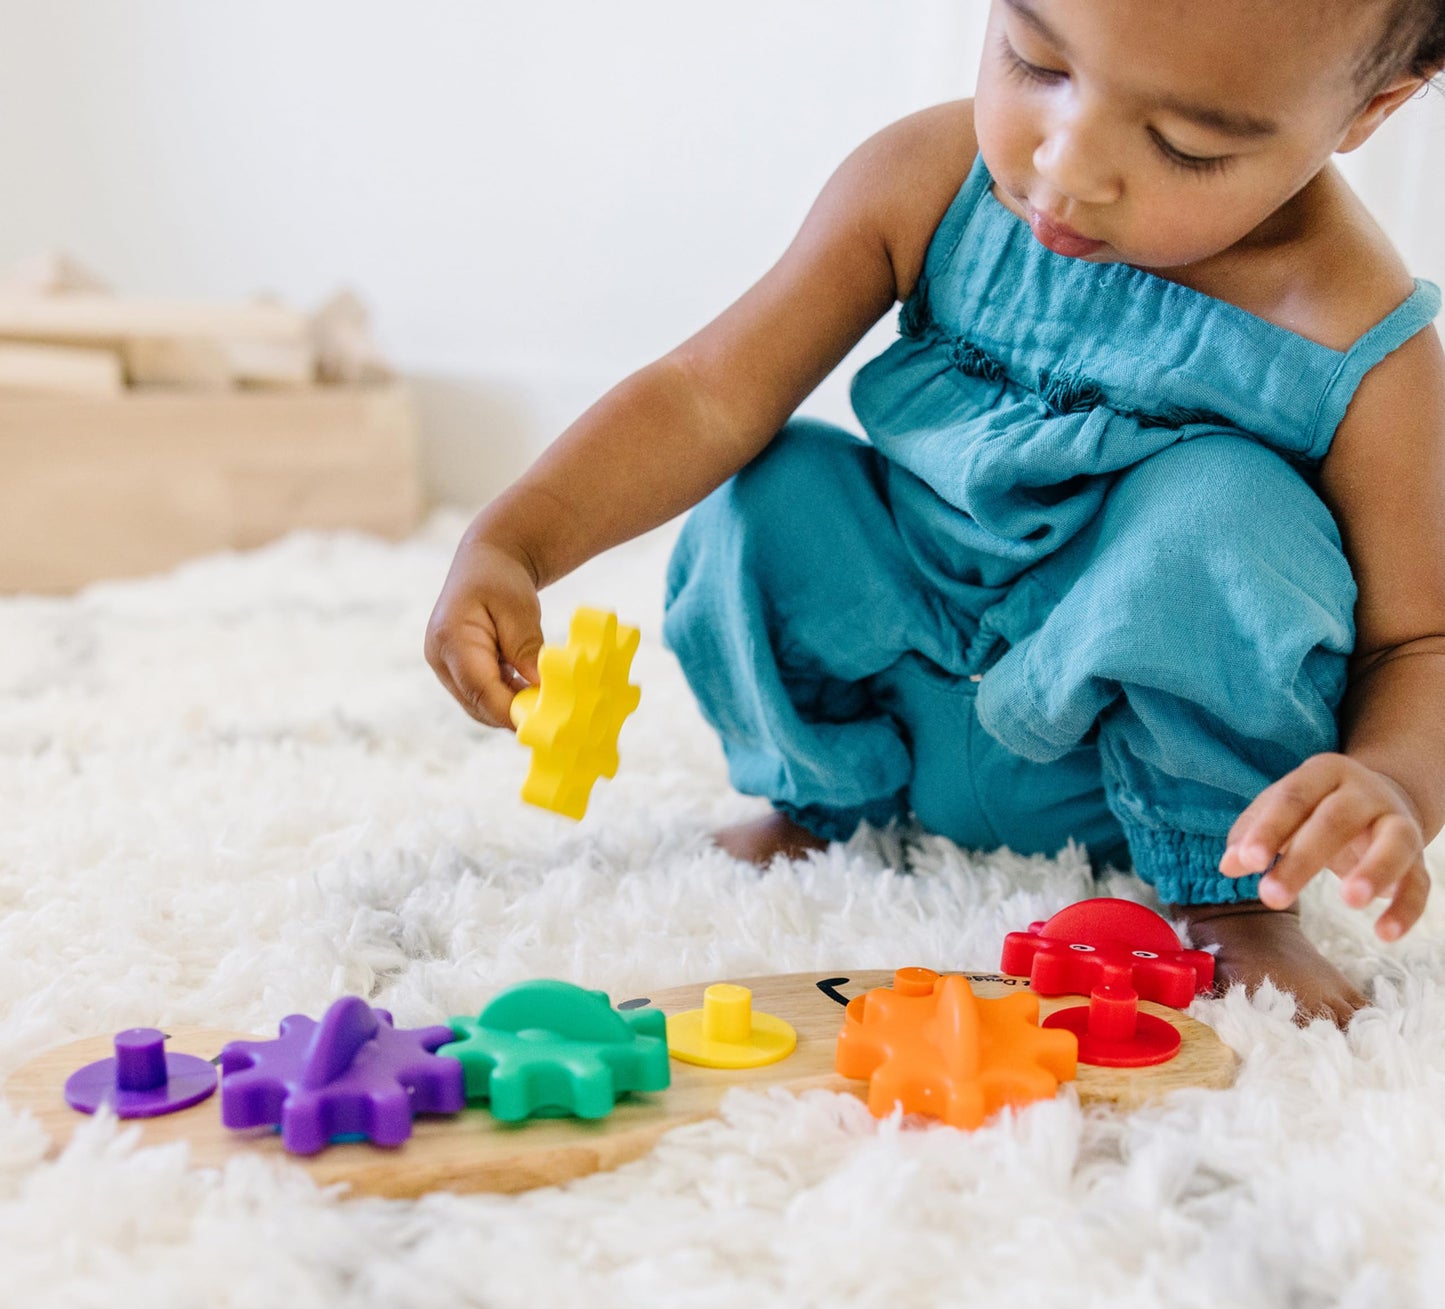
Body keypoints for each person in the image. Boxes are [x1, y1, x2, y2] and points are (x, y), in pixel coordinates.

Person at [427, 0, 1445, 1027]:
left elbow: (1419, 642)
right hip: (903, 671)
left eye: (1183, 145)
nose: (1066, 165)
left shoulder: (1358, 342)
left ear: (1369, 106)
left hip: (1105, 761)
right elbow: (706, 395)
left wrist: (1390, 783)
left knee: (1221, 512)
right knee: (774, 484)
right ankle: (821, 798)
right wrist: (515, 538)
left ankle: (1219, 895)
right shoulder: (927, 179)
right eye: (1035, 60)